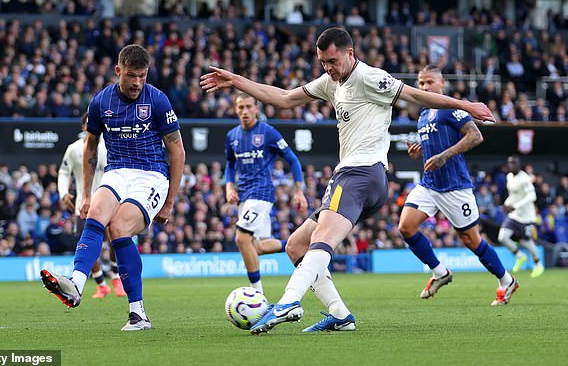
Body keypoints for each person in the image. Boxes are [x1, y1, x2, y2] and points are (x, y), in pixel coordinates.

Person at [200, 27, 495, 334]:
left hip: (362, 173)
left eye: (331, 60)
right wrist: (236, 80)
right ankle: (340, 315)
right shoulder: (332, 82)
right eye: (322, 62)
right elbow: (285, 98)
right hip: (353, 175)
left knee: (321, 239)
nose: (327, 67)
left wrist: (465, 105)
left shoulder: (370, 77)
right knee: (296, 246)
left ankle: (288, 301)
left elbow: (414, 94)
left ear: (349, 53)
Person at [41, 44, 185, 331]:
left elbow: (177, 151)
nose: (136, 83)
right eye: (131, 75)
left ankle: (138, 313)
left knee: (118, 228)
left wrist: (169, 202)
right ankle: (77, 286)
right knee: (95, 213)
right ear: (118, 71)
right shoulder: (100, 101)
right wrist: (84, 194)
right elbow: (90, 147)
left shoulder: (157, 100)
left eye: (142, 76)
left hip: (151, 175)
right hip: (116, 172)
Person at [399, 65, 518, 306]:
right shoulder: (423, 114)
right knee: (405, 227)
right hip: (430, 185)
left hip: (455, 187)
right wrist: (420, 152)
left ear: (442, 84)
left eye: (429, 82)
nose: (424, 87)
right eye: (421, 83)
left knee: (471, 241)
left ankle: (507, 280)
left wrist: (444, 155)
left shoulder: (451, 108)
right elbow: (435, 145)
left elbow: (475, 136)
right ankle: (440, 272)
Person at [226, 93, 308, 293]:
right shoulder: (232, 136)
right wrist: (229, 186)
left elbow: (293, 160)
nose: (244, 112)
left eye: (248, 107)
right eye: (240, 108)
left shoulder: (268, 132)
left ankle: (257, 295)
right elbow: (230, 165)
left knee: (241, 238)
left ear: (256, 109)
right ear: (236, 110)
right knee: (259, 246)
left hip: (261, 193)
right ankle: (300, 244)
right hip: (243, 197)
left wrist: (299, 191)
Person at [58, 111, 126, 299]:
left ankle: (115, 276)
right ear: (82, 127)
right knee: (85, 243)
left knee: (116, 238)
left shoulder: (110, 147)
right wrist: (64, 193)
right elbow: (63, 172)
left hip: (110, 202)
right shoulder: (74, 149)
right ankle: (101, 284)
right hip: (84, 204)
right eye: (88, 123)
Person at [498, 155, 544, 278]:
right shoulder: (509, 176)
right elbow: (513, 194)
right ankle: (520, 256)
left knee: (527, 242)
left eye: (514, 163)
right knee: (502, 237)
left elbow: (532, 196)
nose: (511, 165)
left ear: (519, 165)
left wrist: (516, 205)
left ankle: (538, 264)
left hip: (527, 217)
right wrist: (507, 203)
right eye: (509, 163)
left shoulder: (524, 178)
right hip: (514, 215)